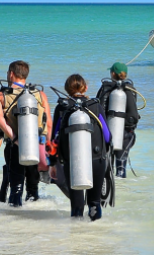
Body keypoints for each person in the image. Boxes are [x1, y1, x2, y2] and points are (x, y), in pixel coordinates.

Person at [51, 74, 112, 221]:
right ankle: (94, 238)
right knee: (94, 203)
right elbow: (108, 136)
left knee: (77, 205)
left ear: (67, 89)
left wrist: (52, 163)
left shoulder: (62, 107)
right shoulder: (95, 106)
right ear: (86, 87)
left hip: (73, 160)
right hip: (97, 159)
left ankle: (76, 239)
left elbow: (54, 139)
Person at [0, 60, 52, 207]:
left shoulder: (1, 96)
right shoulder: (40, 95)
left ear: (11, 74)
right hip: (36, 147)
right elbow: (49, 123)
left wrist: (14, 138)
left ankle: (15, 224)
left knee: (16, 189)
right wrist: (47, 147)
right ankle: (32, 222)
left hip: (14, 147)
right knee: (33, 189)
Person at [96, 62, 143, 179]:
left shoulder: (106, 88)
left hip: (107, 134)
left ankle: (108, 194)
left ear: (112, 73)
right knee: (121, 167)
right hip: (127, 134)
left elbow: (98, 110)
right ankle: (123, 189)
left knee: (107, 168)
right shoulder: (131, 89)